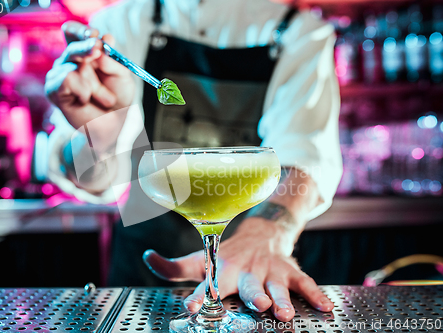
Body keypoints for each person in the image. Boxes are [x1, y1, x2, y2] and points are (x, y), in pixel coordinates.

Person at [45, 0, 343, 322]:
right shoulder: (114, 27)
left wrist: (266, 234)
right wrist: (100, 136)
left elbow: (303, 159)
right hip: (144, 280)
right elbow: (89, 176)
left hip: (249, 279)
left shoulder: (301, 32)